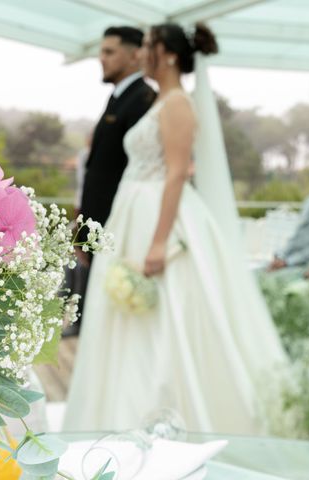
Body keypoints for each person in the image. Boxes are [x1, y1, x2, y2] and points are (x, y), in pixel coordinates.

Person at [64, 23, 288, 434]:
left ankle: (169, 413)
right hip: (133, 212)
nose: (143, 53)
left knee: (167, 318)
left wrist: (159, 241)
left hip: (159, 217)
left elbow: (177, 173)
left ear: (166, 53)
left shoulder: (177, 104)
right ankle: (117, 412)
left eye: (148, 46)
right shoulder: (160, 102)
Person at [67, 26, 156, 337]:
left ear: (135, 55)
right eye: (100, 51)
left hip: (119, 221)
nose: (101, 59)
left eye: (109, 52)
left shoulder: (143, 100)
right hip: (97, 220)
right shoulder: (117, 97)